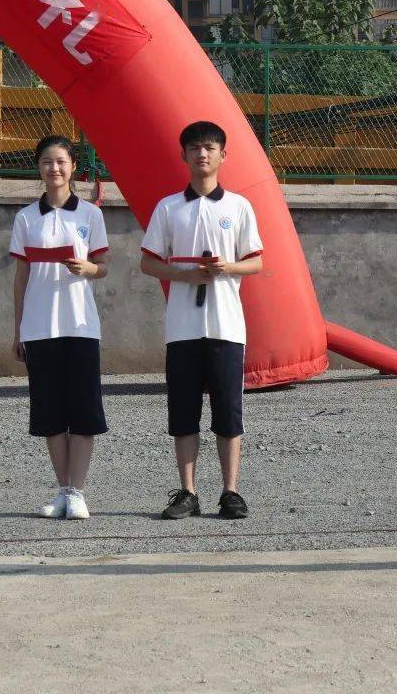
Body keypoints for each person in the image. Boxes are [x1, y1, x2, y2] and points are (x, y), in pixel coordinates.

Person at [139, 120, 263, 520]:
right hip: (183, 327)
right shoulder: (169, 207)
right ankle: (188, 492)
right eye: (194, 148)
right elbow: (148, 262)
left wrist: (227, 267)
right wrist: (186, 274)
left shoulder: (239, 206)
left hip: (226, 324)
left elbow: (257, 261)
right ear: (184, 155)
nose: (202, 154)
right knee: (183, 410)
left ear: (223, 155)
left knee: (228, 411)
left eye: (210, 148)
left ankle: (230, 491)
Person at [10, 134, 109, 520]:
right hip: (39, 328)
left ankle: (79, 491)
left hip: (81, 326)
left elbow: (104, 266)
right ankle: (63, 490)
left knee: (83, 411)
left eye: (62, 161)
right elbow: (21, 277)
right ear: (39, 167)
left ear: (73, 167)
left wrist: (88, 269)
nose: (55, 168)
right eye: (48, 162)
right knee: (50, 412)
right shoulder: (25, 218)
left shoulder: (90, 215)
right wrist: (17, 330)